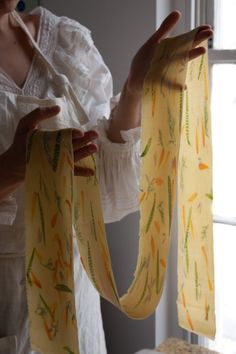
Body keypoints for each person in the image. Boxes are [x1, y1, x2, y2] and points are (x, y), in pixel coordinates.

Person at [0, 1, 213, 353]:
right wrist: (10, 169)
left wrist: (132, 94)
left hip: (77, 306)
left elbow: (100, 198)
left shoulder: (68, 42)